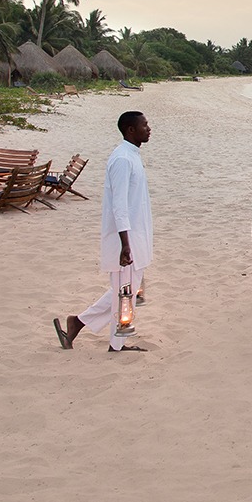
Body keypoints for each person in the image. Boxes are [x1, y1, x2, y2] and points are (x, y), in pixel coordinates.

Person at [54, 111, 155, 353]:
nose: (149, 128)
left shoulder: (132, 155)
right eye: (145, 125)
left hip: (137, 235)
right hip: (125, 238)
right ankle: (115, 344)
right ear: (131, 130)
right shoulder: (121, 159)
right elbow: (118, 206)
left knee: (126, 291)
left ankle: (78, 323)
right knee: (124, 293)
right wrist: (125, 244)